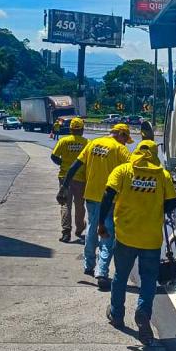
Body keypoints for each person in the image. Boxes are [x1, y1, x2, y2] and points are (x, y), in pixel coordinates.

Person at [98, 140, 176, 345]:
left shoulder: (123, 171)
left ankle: (116, 314)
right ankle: (143, 312)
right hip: (151, 239)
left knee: (121, 276)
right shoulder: (163, 175)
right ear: (154, 154)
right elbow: (171, 203)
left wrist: (101, 222)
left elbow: (108, 195)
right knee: (148, 279)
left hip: (125, 237)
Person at [58, 123, 133, 290]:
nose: (124, 143)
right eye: (125, 139)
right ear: (120, 134)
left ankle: (89, 264)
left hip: (90, 195)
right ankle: (102, 271)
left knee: (92, 228)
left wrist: (64, 186)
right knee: (106, 234)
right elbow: (133, 169)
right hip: (110, 199)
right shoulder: (119, 149)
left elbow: (74, 166)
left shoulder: (93, 143)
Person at [51, 117, 89, 242]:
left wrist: (63, 164)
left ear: (71, 129)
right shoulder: (86, 142)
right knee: (79, 205)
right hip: (80, 178)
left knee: (65, 205)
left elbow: (54, 156)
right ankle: (79, 229)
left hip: (64, 178)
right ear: (82, 129)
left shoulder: (64, 141)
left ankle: (66, 232)